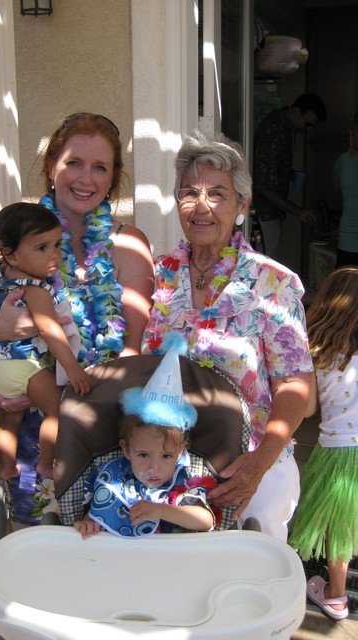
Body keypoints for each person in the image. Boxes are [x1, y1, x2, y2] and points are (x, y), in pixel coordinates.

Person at [0, 113, 154, 523]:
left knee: (102, 546)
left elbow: (132, 353)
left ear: (112, 178)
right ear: (51, 167)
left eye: (99, 167)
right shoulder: (12, 235)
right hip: (28, 426)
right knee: (39, 546)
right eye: (73, 163)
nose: (85, 179)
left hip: (101, 423)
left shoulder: (129, 244)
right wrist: (25, 341)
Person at [142, 129, 315, 541]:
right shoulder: (157, 275)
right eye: (189, 192)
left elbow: (296, 386)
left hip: (248, 465)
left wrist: (261, 462)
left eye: (217, 194)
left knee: (251, 586)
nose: (202, 207)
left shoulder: (272, 282)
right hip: (161, 465)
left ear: (242, 205)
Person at [0, 202, 91, 480]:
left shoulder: (1, 275)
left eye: (57, 245)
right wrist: (72, 368)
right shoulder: (35, 289)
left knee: (9, 418)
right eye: (42, 248)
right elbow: (50, 330)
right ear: (12, 255)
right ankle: (46, 462)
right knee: (57, 408)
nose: (54, 255)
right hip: (24, 365)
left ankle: (7, 468)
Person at [75, 333, 218, 539]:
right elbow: (98, 514)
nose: (154, 468)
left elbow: (206, 521)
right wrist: (90, 524)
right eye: (143, 455)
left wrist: (161, 510)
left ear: (180, 452)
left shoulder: (183, 481)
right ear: (125, 448)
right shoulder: (113, 478)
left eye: (166, 456)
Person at [288, 267, 358, 621]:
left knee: (337, 525)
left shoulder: (320, 355)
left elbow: (310, 408)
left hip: (336, 452)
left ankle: (335, 596)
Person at [253, 93, 327, 260]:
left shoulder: (286, 127)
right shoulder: (273, 130)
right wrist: (298, 211)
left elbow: (270, 167)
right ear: (296, 112)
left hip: (272, 212)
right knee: (266, 265)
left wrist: (291, 174)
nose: (307, 130)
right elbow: (263, 184)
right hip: (263, 213)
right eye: (307, 124)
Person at [332, 111, 358, 268]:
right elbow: (336, 188)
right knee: (344, 290)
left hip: (348, 238)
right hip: (348, 240)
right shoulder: (343, 161)